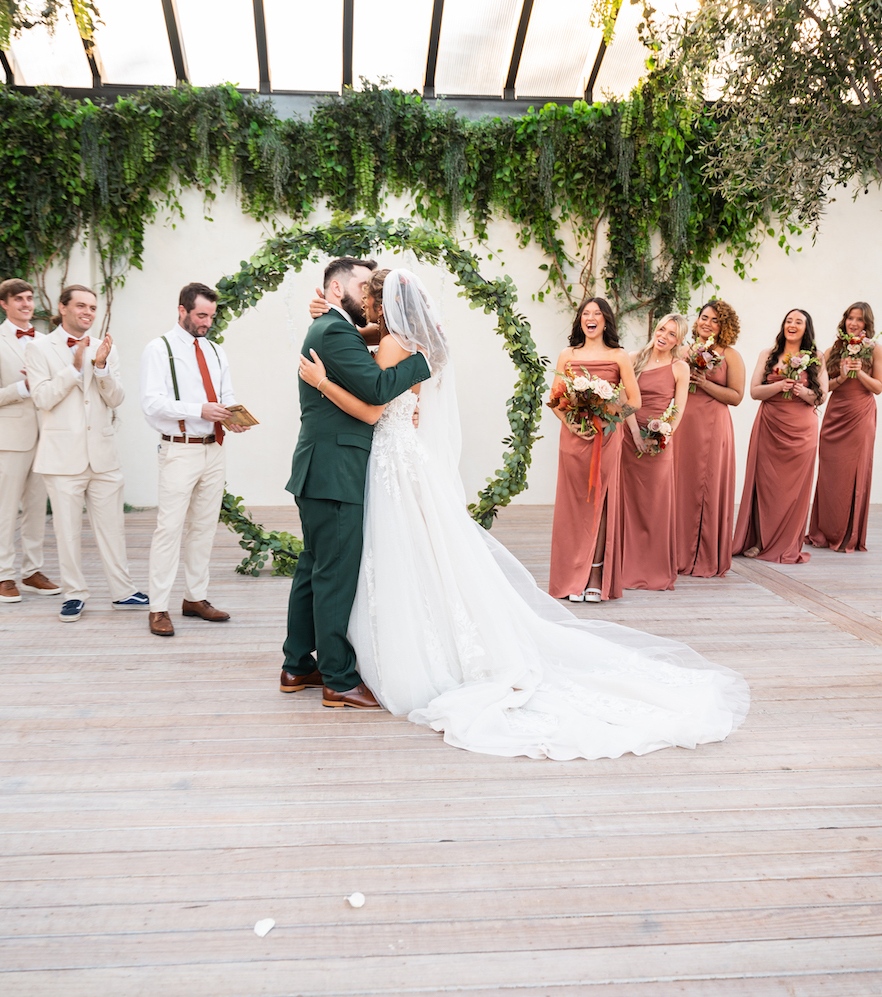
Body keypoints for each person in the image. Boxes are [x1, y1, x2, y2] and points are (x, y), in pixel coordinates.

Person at [297, 269, 748, 761]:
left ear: (381, 305)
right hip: (400, 460)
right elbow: (389, 362)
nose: (365, 304)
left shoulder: (390, 347)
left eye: (370, 298)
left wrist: (323, 379)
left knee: (385, 555)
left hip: (388, 459)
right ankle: (334, 657)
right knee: (408, 553)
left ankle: (359, 659)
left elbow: (374, 403)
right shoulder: (406, 341)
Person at [281, 257, 432, 708]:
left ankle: (296, 664)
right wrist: (423, 360)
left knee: (313, 568)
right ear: (334, 289)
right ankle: (338, 678)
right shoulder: (333, 330)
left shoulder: (335, 328)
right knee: (334, 574)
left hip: (323, 468)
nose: (369, 294)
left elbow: (367, 342)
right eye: (363, 285)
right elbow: (377, 389)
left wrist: (384, 333)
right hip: (336, 470)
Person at [25, 285, 147, 622]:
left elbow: (116, 398)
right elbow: (42, 399)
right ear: (63, 308)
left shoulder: (105, 347)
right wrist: (75, 368)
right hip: (62, 458)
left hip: (103, 455)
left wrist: (102, 367)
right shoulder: (39, 349)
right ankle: (74, 594)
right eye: (81, 306)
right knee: (67, 530)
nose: (88, 312)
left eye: (93, 307)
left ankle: (122, 591)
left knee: (112, 527)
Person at [140, 282, 249, 638]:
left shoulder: (216, 351)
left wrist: (233, 416)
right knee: (169, 529)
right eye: (201, 315)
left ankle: (195, 598)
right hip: (179, 448)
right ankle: (158, 607)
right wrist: (198, 409)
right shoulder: (159, 349)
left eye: (211, 316)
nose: (207, 323)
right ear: (182, 310)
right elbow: (152, 404)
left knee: (204, 526)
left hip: (214, 448)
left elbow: (226, 394)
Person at [547, 297, 639, 603]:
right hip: (574, 438)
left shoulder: (619, 356)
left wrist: (612, 419)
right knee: (574, 507)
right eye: (586, 313)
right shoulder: (567, 354)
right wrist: (572, 425)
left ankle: (596, 574)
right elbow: (555, 400)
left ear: (605, 320)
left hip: (606, 438)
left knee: (599, 502)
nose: (591, 318)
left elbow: (634, 403)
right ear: (580, 320)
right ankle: (572, 576)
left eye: (597, 314)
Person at [733, 308, 828, 564]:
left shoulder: (816, 356)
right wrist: (778, 385)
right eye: (789, 320)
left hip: (801, 431)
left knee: (793, 489)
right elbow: (754, 392)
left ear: (806, 329)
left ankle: (785, 542)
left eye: (799, 321)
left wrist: (800, 390)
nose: (792, 324)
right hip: (770, 425)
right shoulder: (768, 354)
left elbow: (821, 396)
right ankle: (760, 541)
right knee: (766, 485)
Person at [0, 278, 59, 603]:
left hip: (46, 436)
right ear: (5, 303)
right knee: (7, 508)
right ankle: (3, 575)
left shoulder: (44, 341)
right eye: (19, 299)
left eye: (29, 298)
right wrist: (23, 388)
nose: (27, 304)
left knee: (35, 507)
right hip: (12, 437)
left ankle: (31, 571)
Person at [674, 300, 745, 578]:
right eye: (704, 317)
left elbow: (737, 397)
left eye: (715, 320)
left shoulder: (730, 355)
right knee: (682, 485)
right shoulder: (683, 350)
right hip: (684, 423)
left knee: (709, 485)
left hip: (714, 425)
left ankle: (704, 555)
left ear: (724, 325)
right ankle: (677, 552)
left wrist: (705, 383)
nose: (707, 323)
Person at [621, 314, 690, 591]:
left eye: (672, 334)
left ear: (680, 340)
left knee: (655, 505)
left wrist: (664, 436)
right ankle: (625, 567)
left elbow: (680, 409)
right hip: (628, 437)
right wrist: (635, 433)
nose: (664, 336)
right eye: (662, 329)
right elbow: (623, 397)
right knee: (628, 504)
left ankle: (653, 567)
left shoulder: (680, 368)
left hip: (660, 443)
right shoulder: (633, 358)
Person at [808, 301, 881, 552]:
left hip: (860, 414)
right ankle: (823, 531)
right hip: (835, 415)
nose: (854, 323)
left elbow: (878, 387)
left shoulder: (875, 350)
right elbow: (822, 388)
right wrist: (840, 376)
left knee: (855, 472)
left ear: (867, 324)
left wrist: (859, 372)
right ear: (845, 320)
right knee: (830, 473)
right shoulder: (832, 351)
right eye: (851, 317)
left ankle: (848, 533)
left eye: (860, 319)